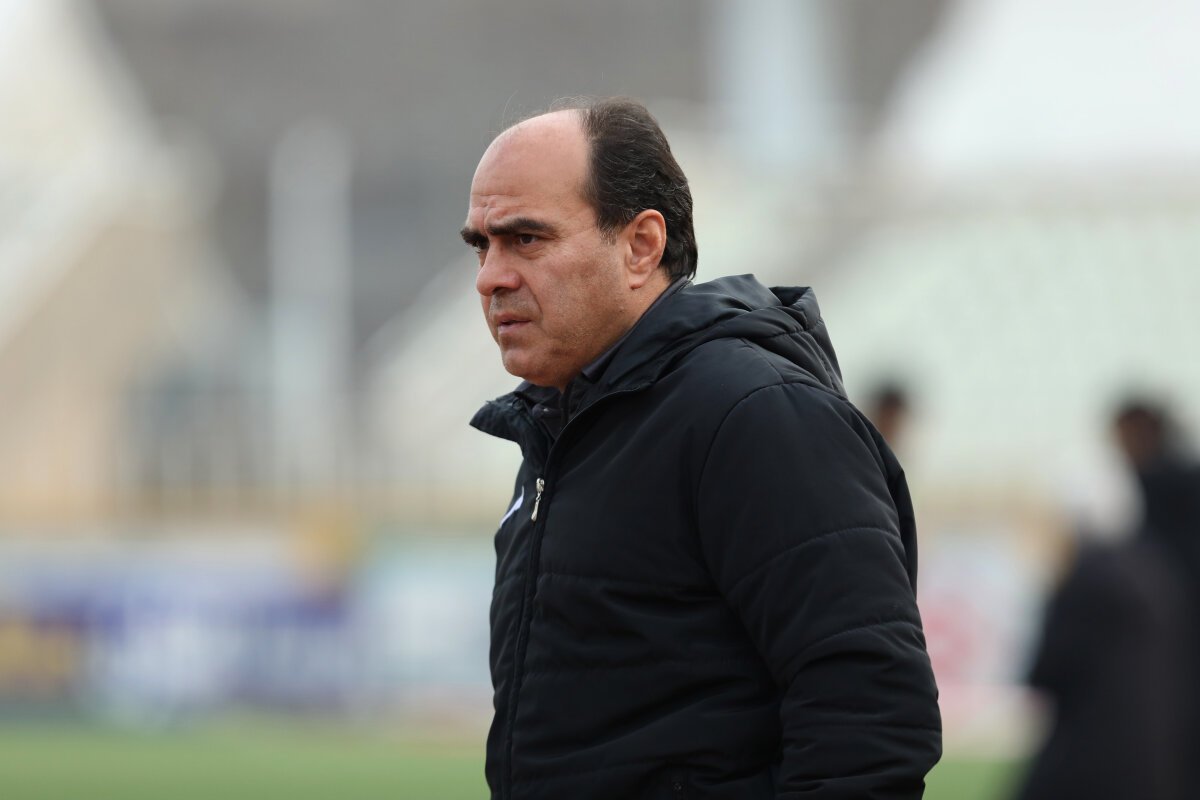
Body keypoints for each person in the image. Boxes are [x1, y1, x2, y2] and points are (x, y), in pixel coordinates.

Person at [463, 97, 942, 799]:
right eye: (482, 245)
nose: (491, 277)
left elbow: (869, 715)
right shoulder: (563, 430)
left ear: (641, 246)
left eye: (526, 239)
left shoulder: (753, 415)